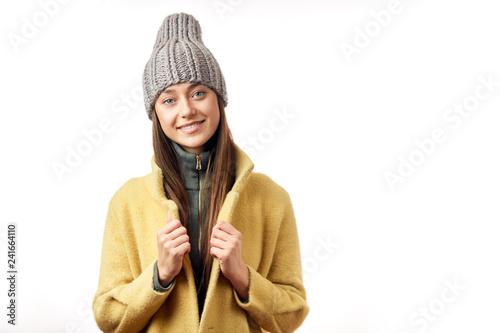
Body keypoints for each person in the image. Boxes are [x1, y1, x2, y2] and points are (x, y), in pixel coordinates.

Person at [92, 12, 309, 333]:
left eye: (198, 93)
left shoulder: (271, 197)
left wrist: (242, 275)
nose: (186, 110)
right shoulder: (127, 201)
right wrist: (159, 274)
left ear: (218, 99)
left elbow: (292, 315)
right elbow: (108, 318)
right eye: (168, 99)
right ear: (155, 115)